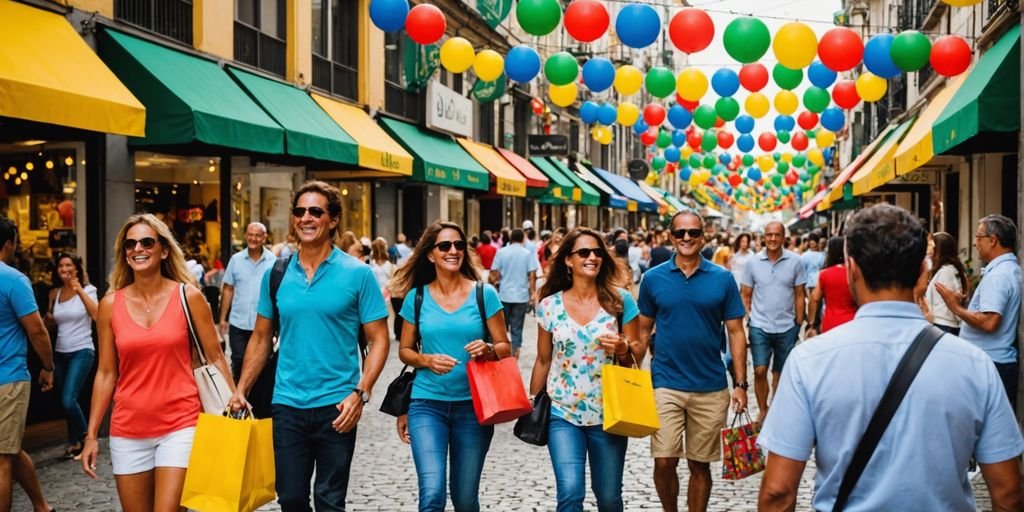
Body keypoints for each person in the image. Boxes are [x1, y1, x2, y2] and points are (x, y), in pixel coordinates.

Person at [757, 204, 1023, 512]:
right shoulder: (974, 364)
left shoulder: (809, 360)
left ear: (851, 269)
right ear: (923, 271)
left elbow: (777, 492)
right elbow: (1008, 492)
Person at [227, 181, 390, 511]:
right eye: (299, 211)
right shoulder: (277, 273)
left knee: (330, 502)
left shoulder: (358, 274)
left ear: (332, 220)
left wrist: (361, 392)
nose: (306, 218)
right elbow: (261, 337)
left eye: (316, 211)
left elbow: (380, 338)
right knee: (291, 499)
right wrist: (241, 388)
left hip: (338, 406)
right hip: (287, 404)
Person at [80, 213, 233, 511]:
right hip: (128, 429)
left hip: (181, 424)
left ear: (163, 250)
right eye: (131, 244)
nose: (138, 249)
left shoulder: (189, 297)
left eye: (147, 242)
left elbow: (215, 356)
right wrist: (90, 436)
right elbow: (106, 373)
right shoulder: (110, 305)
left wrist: (234, 402)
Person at [391, 221, 511, 512]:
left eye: (458, 245)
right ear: (431, 255)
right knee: (431, 494)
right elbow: (405, 351)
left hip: (474, 407)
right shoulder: (416, 297)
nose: (453, 250)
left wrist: (488, 350)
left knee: (465, 499)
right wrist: (426, 359)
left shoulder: (484, 294)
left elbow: (505, 348)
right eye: (444, 246)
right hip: (426, 405)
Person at [637, 211, 749, 512]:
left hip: (710, 386)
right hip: (666, 382)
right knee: (664, 460)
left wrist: (740, 384)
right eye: (680, 233)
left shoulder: (723, 279)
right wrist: (629, 375)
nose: (687, 238)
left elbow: (737, 332)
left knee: (700, 465)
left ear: (704, 236)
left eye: (693, 233)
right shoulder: (652, 279)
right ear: (671, 236)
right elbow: (643, 330)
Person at [530, 228, 641, 511]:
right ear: (568, 260)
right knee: (569, 493)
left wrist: (623, 348)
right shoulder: (549, 306)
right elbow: (543, 360)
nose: (592, 257)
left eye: (597, 253)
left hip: (609, 414)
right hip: (562, 413)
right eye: (584, 252)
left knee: (609, 497)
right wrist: (533, 404)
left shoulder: (620, 301)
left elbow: (637, 352)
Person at [936, 214, 1021, 409]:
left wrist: (955, 307)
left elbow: (989, 322)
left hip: (991, 362)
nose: (975, 243)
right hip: (995, 362)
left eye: (978, 237)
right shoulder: (1008, 268)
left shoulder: (998, 275)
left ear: (993, 240)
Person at [0, 217, 56, 512]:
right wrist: (48, 366)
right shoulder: (13, 279)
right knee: (3, 456)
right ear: (9, 244)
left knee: (8, 447)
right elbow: (37, 330)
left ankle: (41, 506)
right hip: (7, 378)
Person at [740, 221, 806, 423]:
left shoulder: (796, 262)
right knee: (759, 370)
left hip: (787, 326)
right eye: (769, 235)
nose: (773, 239)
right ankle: (763, 408)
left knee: (780, 373)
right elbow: (745, 294)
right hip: (760, 324)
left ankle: (775, 408)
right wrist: (749, 318)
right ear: (763, 237)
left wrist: (799, 322)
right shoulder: (753, 262)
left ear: (784, 237)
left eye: (777, 235)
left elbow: (799, 294)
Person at [46, 253, 98, 459]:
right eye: (61, 266)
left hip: (82, 350)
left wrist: (78, 289)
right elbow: (50, 323)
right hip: (60, 352)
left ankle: (87, 441)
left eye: (69, 265)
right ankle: (74, 442)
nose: (64, 269)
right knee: (67, 399)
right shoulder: (54, 293)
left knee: (69, 400)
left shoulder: (88, 290)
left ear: (77, 268)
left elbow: (97, 314)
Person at [219, 222, 276, 381]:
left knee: (263, 362)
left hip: (264, 323)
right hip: (239, 322)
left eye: (258, 235)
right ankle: (239, 395)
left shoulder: (273, 261)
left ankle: (258, 398)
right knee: (238, 359)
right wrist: (223, 318)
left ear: (264, 238)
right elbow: (228, 289)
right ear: (245, 236)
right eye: (250, 234)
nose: (253, 238)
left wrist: (277, 324)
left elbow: (276, 293)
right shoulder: (236, 260)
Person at [489, 228, 538, 358]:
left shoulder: (501, 252)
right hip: (521, 296)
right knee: (517, 327)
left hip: (504, 295)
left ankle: (503, 352)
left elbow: (494, 272)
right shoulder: (527, 253)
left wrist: (495, 282)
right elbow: (532, 274)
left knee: (503, 327)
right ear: (522, 239)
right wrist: (532, 292)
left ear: (511, 239)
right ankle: (514, 352)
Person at [806, 237, 857, 337]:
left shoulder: (824, 274)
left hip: (830, 323)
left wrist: (811, 324)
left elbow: (814, 299)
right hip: (853, 323)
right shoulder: (854, 273)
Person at [920, 232, 969, 335]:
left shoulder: (945, 272)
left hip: (942, 325)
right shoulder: (950, 269)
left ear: (939, 249)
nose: (929, 250)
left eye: (931, 245)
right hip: (946, 324)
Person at [799, 233, 825, 305]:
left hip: (816, 284)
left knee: (814, 307)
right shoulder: (804, 256)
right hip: (811, 285)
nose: (812, 243)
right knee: (815, 307)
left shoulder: (823, 255)